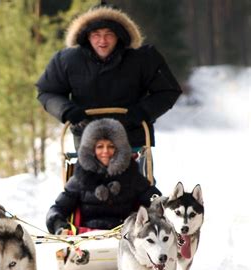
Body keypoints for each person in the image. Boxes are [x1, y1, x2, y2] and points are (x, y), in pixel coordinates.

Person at [36, 5, 182, 168]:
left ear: (120, 36)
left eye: (109, 35)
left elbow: (168, 90)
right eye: (96, 35)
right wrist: (67, 110)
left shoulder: (143, 58)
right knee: (82, 190)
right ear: (86, 37)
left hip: (132, 137)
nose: (102, 41)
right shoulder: (66, 60)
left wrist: (142, 111)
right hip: (87, 139)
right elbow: (47, 91)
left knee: (139, 188)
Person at [46, 118, 161, 234]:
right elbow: (58, 208)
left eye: (111, 146)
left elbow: (155, 200)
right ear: (91, 149)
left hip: (125, 236)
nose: (105, 151)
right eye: (100, 146)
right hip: (87, 236)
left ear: (119, 149)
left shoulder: (131, 174)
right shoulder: (80, 178)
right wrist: (58, 225)